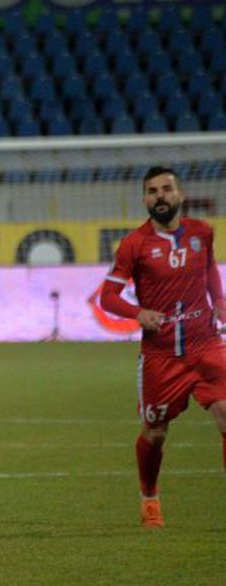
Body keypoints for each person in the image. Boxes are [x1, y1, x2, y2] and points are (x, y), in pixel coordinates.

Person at [99, 165, 226, 528]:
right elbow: (107, 297)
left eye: (167, 189)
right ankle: (149, 496)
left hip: (207, 345)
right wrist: (137, 313)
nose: (160, 196)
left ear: (180, 195)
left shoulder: (202, 233)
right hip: (161, 356)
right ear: (144, 200)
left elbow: (210, 272)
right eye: (152, 191)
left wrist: (219, 303)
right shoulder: (134, 244)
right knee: (155, 433)